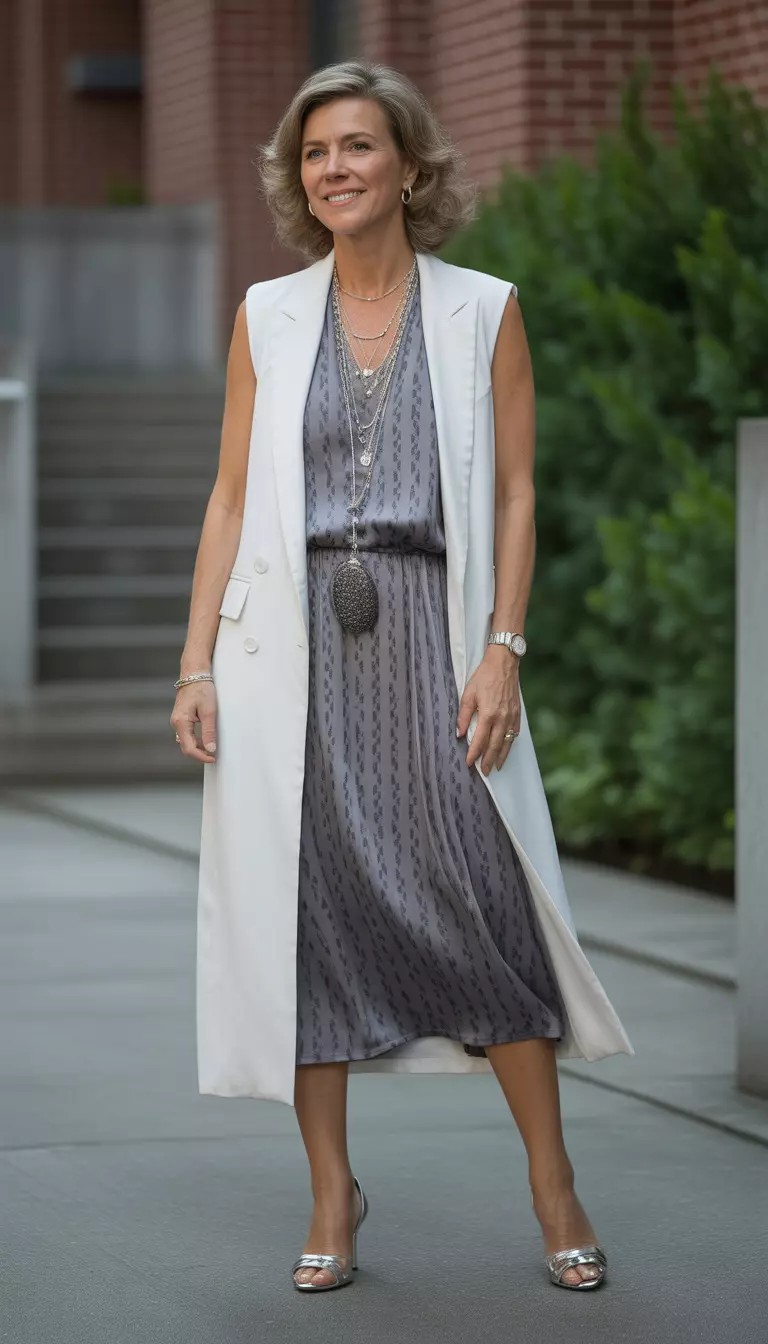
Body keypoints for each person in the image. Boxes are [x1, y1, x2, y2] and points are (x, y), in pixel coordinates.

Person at [171, 58, 633, 1296]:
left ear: (411, 167)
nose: (335, 169)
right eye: (316, 153)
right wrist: (195, 658)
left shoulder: (483, 308)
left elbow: (522, 488)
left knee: (485, 895)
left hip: (433, 639)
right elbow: (226, 496)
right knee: (306, 923)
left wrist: (504, 645)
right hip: (296, 655)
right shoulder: (268, 314)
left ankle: (553, 1183)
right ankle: (333, 1193)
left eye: (359, 147)